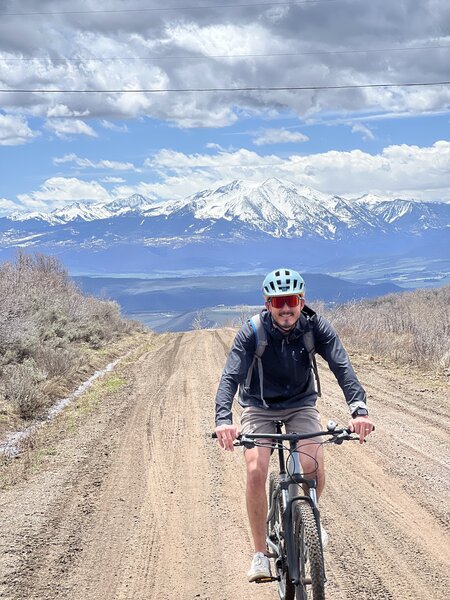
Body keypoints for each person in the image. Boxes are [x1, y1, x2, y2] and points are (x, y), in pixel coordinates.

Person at [214, 268, 374, 583]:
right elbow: (230, 376)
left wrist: (358, 410)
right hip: (260, 407)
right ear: (267, 303)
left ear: (301, 301)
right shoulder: (252, 332)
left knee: (312, 464)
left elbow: (342, 366)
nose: (285, 308)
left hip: (301, 403)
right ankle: (260, 554)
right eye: (278, 302)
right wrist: (223, 420)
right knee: (256, 470)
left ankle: (309, 518)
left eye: (291, 301)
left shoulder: (315, 327)